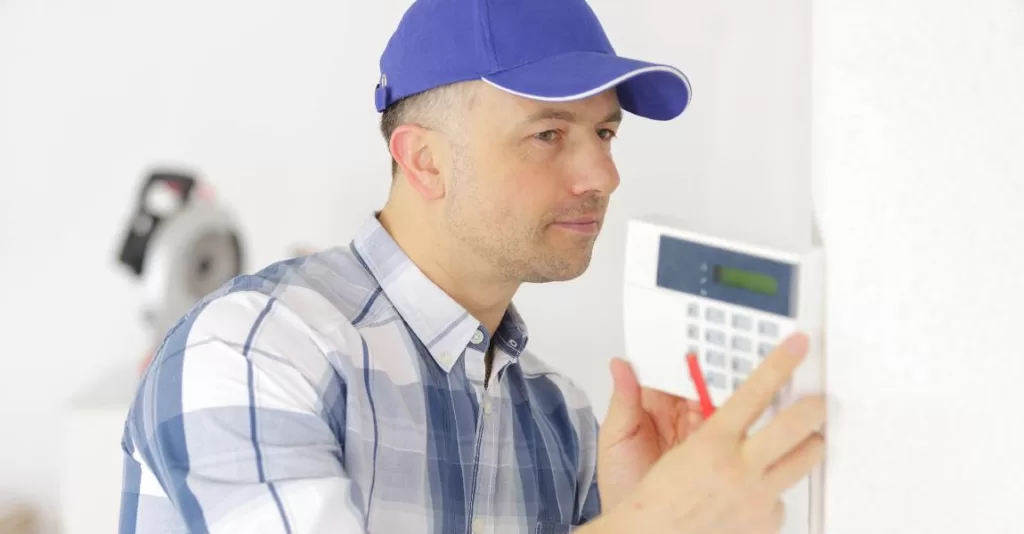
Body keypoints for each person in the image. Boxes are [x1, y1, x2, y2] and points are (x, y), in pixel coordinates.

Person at [117, 0, 826, 532]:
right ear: (424, 160)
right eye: (549, 133)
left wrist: (641, 505)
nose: (603, 174)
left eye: (605, 132)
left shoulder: (561, 418)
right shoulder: (255, 352)